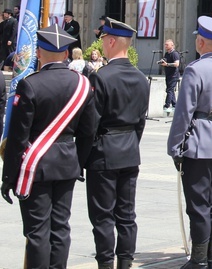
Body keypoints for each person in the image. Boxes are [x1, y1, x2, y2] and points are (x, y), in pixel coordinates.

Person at [1, 25, 97, 269]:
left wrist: (9, 176)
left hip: (37, 165)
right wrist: (79, 163)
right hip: (66, 163)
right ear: (66, 55)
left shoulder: (30, 85)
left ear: (39, 53)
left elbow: (18, 136)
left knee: (37, 231)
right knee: (61, 227)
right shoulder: (83, 85)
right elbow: (88, 132)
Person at [167, 16, 212, 269]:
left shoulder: (195, 70)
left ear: (200, 41)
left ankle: (198, 259)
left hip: (198, 144)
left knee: (198, 204)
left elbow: (183, 112)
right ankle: (211, 256)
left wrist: (175, 146)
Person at [85, 17, 150, 269]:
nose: (101, 45)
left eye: (103, 40)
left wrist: (85, 156)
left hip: (103, 152)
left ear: (111, 41)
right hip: (129, 151)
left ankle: (105, 263)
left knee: (102, 216)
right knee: (126, 215)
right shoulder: (140, 78)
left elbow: (91, 122)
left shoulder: (101, 77)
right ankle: (125, 262)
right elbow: (141, 122)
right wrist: (131, 143)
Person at [160, 39, 181, 111]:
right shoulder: (167, 53)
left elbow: (177, 64)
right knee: (171, 90)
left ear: (172, 45)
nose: (165, 46)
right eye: (165, 44)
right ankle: (175, 104)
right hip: (168, 74)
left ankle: (167, 105)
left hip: (173, 75)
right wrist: (161, 62)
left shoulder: (175, 54)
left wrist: (167, 64)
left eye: (167, 45)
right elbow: (165, 60)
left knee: (169, 90)